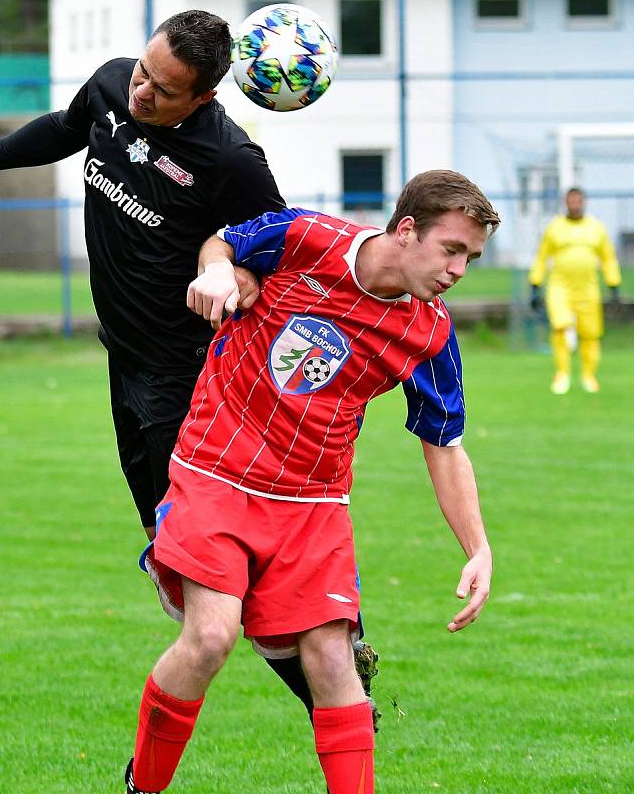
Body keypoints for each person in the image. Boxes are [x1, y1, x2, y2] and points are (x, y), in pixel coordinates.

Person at [0, 9, 377, 730]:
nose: (140, 93)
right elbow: (63, 130)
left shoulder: (230, 160)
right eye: (142, 73)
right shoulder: (108, 87)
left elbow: (273, 252)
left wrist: (237, 279)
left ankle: (336, 688)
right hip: (124, 365)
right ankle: (333, 661)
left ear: (204, 98)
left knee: (196, 564)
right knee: (171, 560)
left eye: (163, 89)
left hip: (190, 378)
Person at [125, 170, 498, 794]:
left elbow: (444, 443)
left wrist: (478, 546)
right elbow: (225, 241)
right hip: (219, 465)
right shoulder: (305, 236)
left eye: (472, 257)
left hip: (315, 501)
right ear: (406, 231)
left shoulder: (430, 334)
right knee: (211, 636)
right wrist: (219, 269)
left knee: (331, 659)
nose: (459, 270)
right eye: (452, 249)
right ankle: (143, 786)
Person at [529, 187, 622, 394]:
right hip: (559, 286)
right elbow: (542, 257)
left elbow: (608, 258)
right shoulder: (554, 228)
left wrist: (614, 285)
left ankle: (589, 376)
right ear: (565, 202)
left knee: (590, 333)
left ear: (584, 202)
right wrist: (535, 284)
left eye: (578, 201)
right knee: (560, 327)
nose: (575, 204)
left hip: (588, 287)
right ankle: (562, 374)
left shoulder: (596, 228)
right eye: (571, 201)